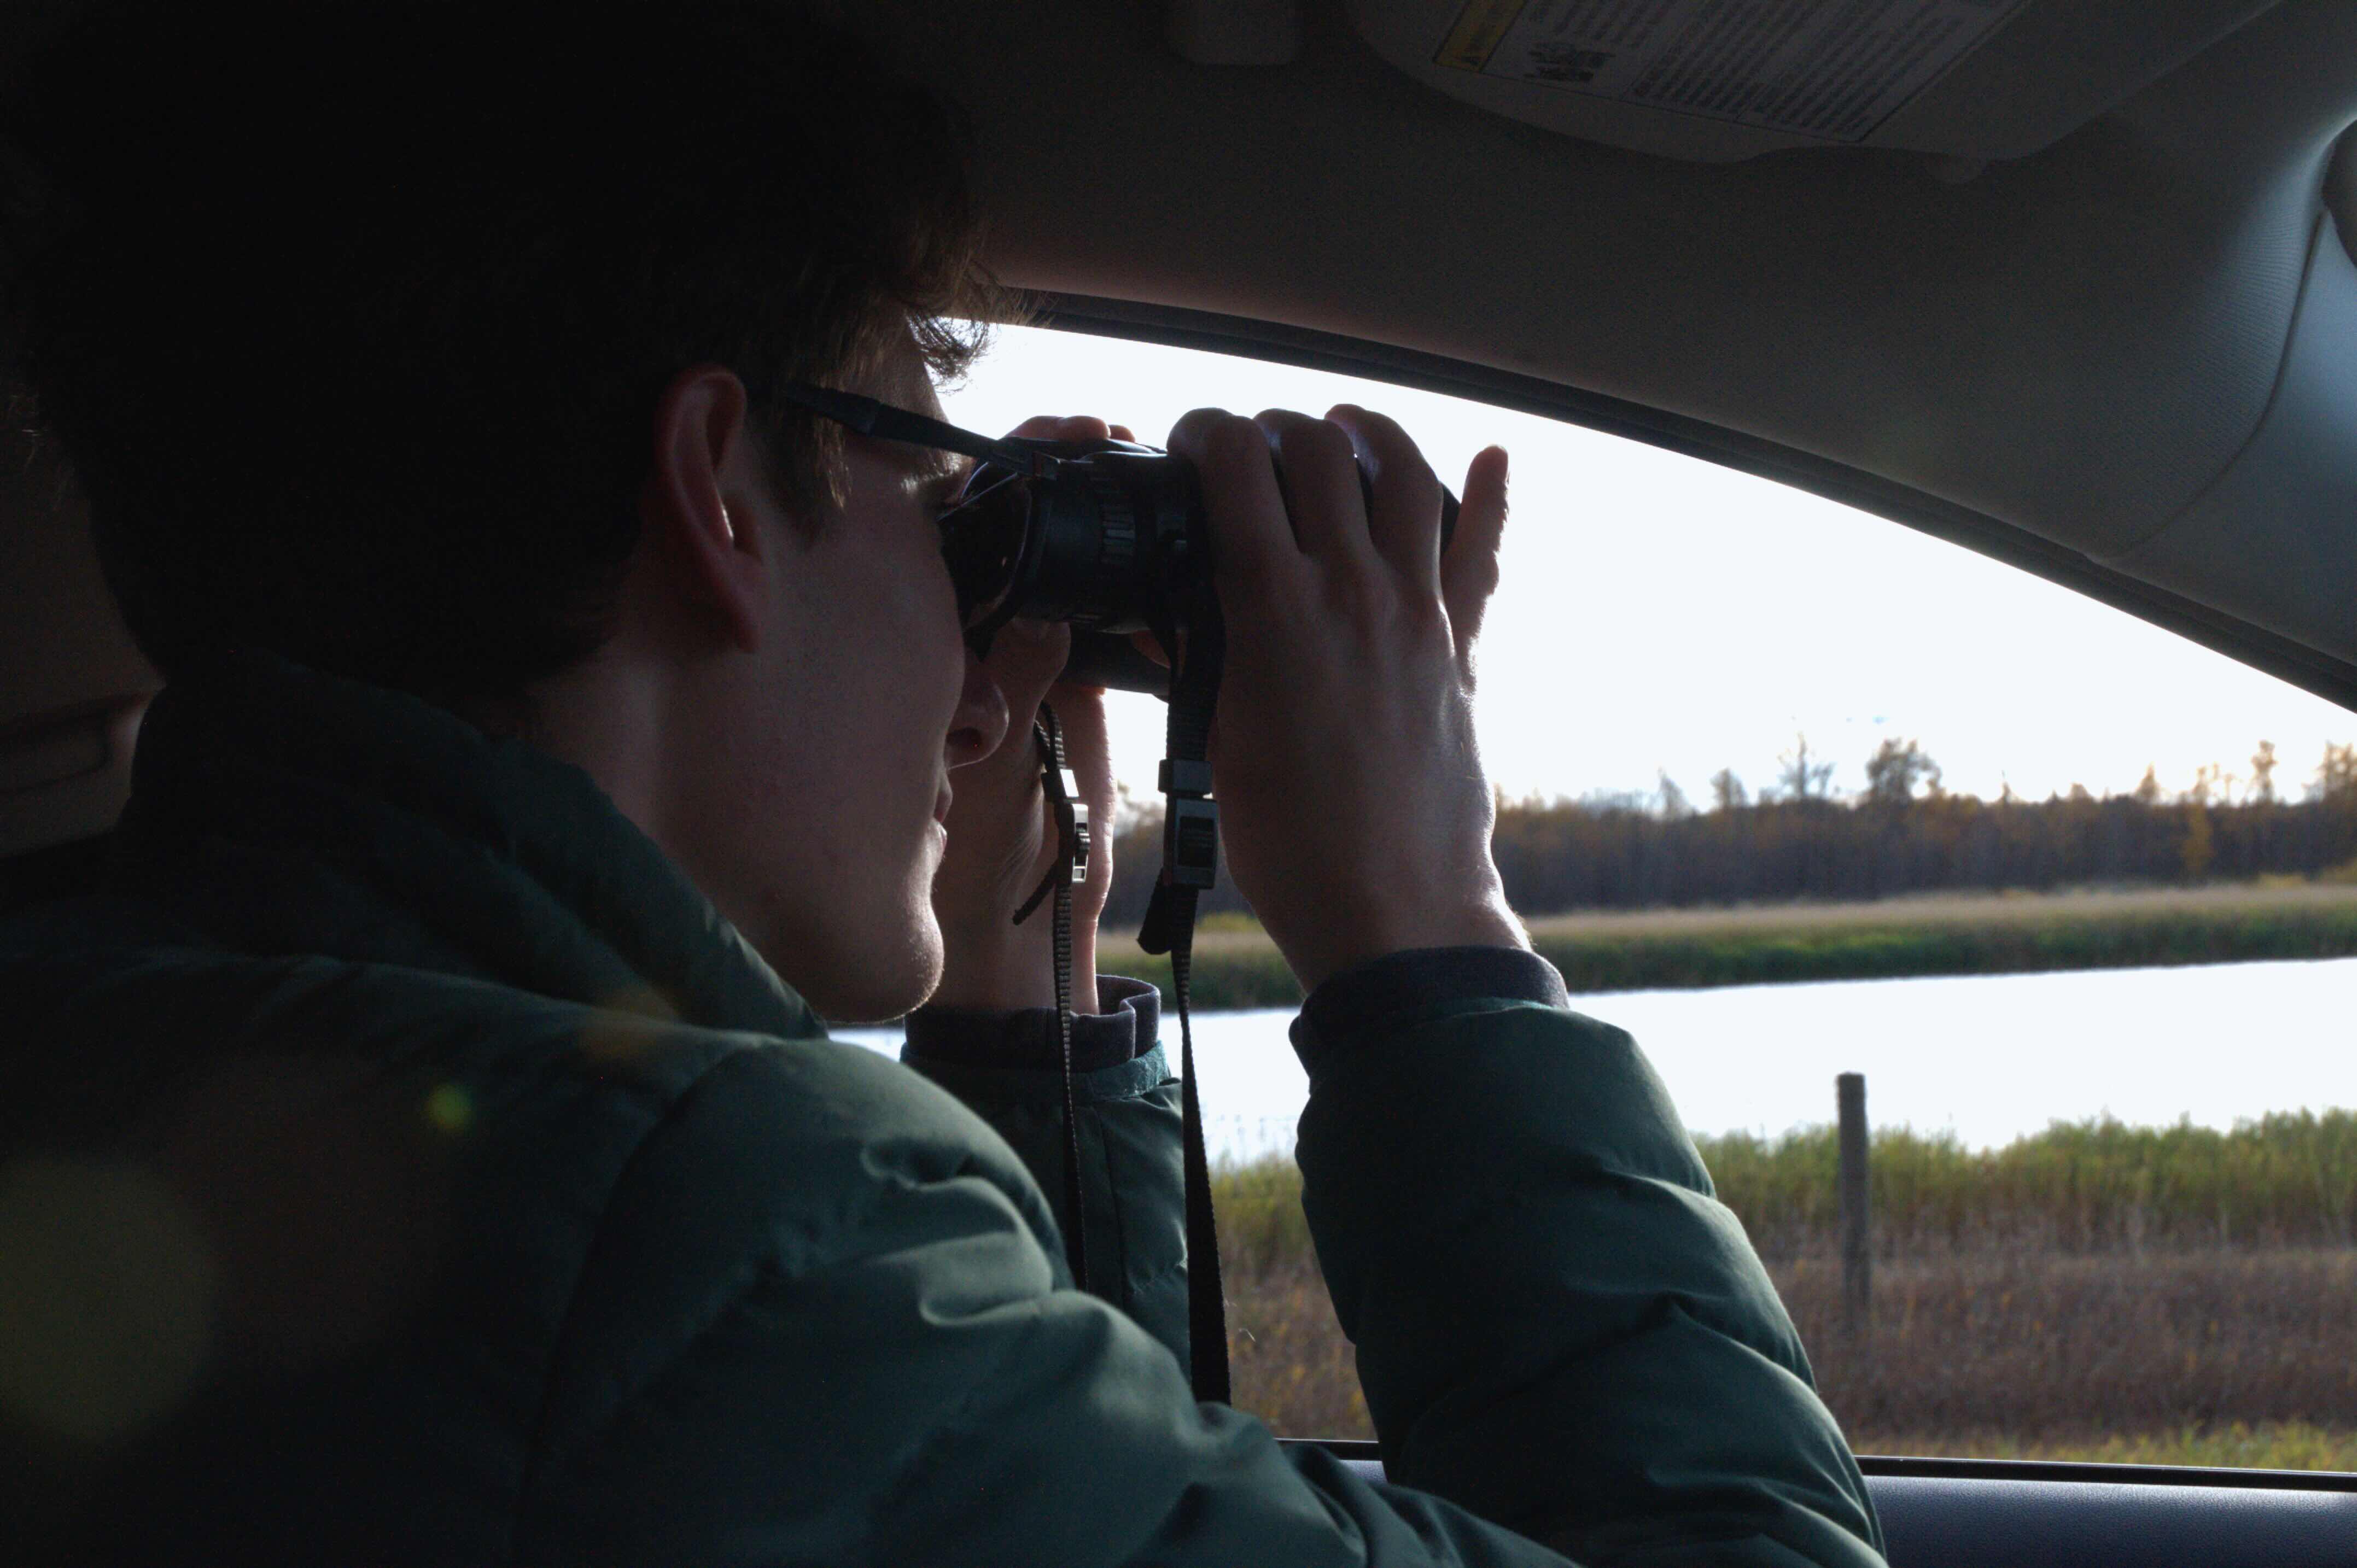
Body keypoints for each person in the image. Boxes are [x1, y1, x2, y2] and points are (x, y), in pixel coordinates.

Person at [0, 3, 1885, 1563]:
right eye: (937, 491)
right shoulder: (701, 1237)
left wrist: (1020, 988)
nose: (978, 682)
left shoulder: (144, 1054)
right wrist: (1429, 939)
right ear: (721, 493)